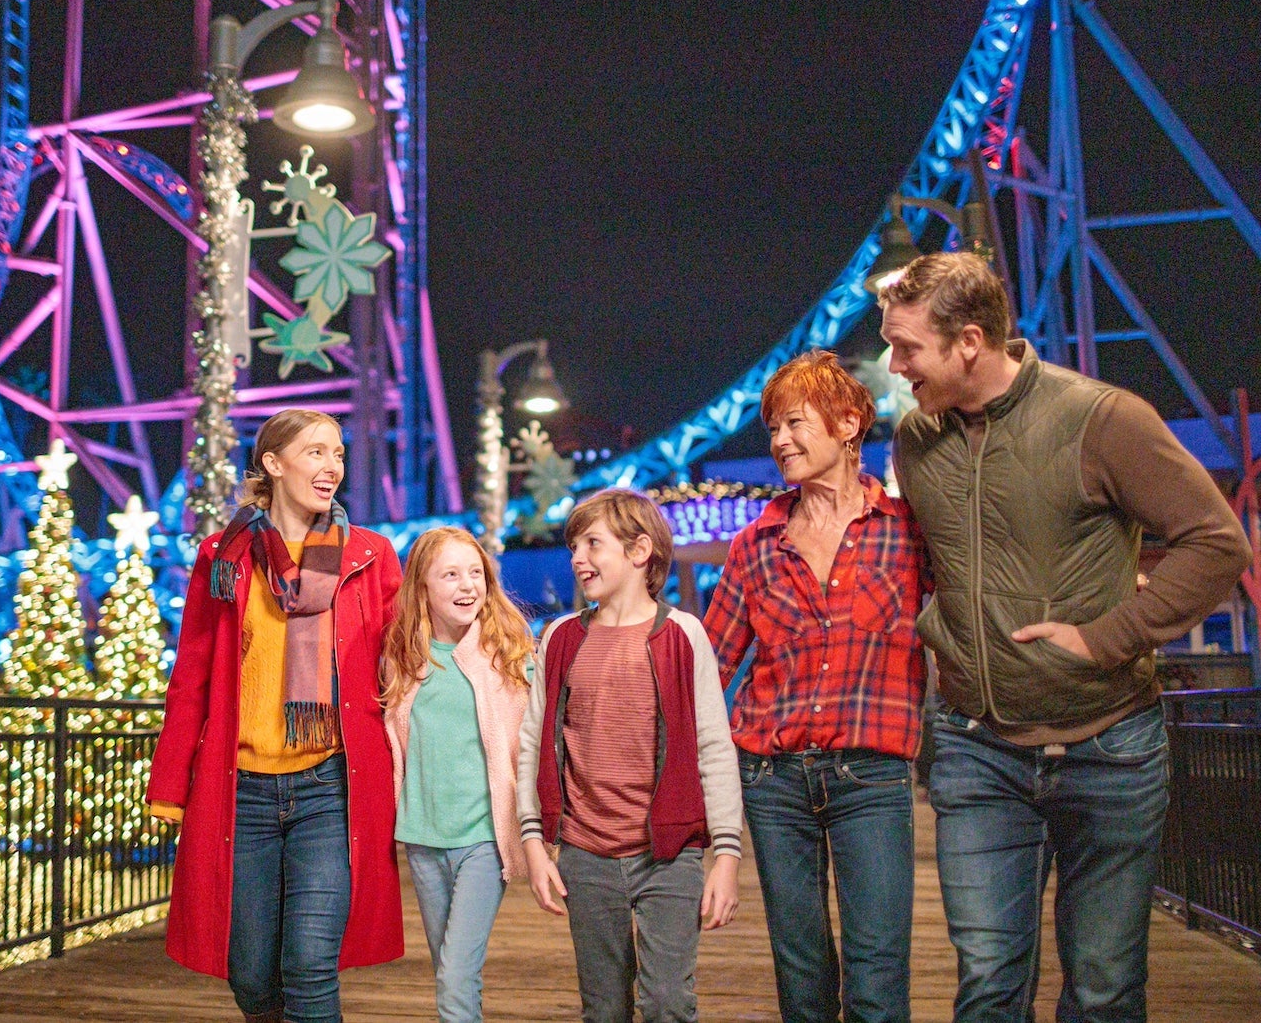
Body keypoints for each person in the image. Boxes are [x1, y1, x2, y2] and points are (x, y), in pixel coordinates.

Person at [878, 252, 1252, 1021]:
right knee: (988, 986)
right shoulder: (914, 441)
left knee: (1103, 989)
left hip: (1109, 747)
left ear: (969, 341)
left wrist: (1106, 637)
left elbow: (1217, 544)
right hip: (976, 747)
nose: (894, 365)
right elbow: (929, 563)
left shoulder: (1103, 418)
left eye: (907, 347)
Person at [145, 408, 404, 1023]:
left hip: (329, 788)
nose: (332, 466)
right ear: (273, 463)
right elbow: (192, 678)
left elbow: (403, 660)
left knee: (310, 966)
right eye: (316, 452)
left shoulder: (369, 555)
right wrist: (169, 785)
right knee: (252, 976)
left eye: (338, 454)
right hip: (241, 792)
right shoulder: (224, 556)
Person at [704, 350, 930, 1023]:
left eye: (794, 423)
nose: (780, 440)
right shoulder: (755, 544)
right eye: (773, 428)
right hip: (772, 780)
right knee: (800, 972)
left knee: (877, 971)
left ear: (848, 423)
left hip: (872, 776)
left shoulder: (908, 531)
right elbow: (707, 667)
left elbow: (969, 612)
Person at [517, 487, 744, 1023]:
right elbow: (533, 742)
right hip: (584, 853)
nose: (578, 558)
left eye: (593, 544)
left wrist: (727, 857)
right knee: (603, 1008)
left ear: (640, 551)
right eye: (574, 546)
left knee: (667, 1002)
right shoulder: (560, 638)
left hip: (668, 854)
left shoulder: (683, 635)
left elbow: (714, 746)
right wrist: (533, 844)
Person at [382, 526, 535, 1023]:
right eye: (450, 575)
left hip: (484, 840)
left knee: (454, 976)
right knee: (452, 972)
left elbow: (536, 746)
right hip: (423, 840)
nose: (468, 585)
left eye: (476, 573)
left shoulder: (510, 657)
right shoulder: (402, 658)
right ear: (422, 586)